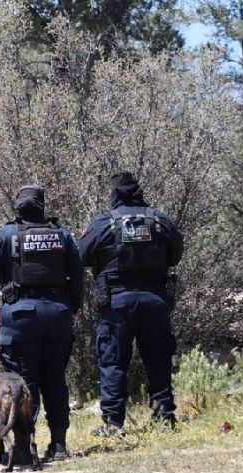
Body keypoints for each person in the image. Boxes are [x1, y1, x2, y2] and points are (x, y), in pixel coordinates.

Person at [0, 185, 83, 461]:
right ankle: (59, 445)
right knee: (54, 381)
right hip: (57, 314)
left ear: (17, 206)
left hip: (19, 318)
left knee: (22, 384)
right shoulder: (63, 235)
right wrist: (74, 308)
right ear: (42, 206)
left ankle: (24, 449)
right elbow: (78, 273)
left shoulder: (4, 235)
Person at [78, 172, 183, 437]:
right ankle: (164, 418)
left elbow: (82, 255)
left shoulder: (104, 223)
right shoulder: (159, 220)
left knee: (113, 362)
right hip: (154, 299)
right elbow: (176, 253)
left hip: (117, 303)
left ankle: (113, 424)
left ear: (115, 193)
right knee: (158, 359)